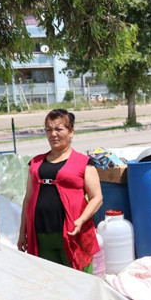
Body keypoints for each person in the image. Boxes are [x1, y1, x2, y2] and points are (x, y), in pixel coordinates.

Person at [17, 109, 103, 272]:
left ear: (71, 132)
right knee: (50, 282)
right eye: (49, 129)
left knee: (79, 281)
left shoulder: (84, 163)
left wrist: (81, 220)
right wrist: (23, 233)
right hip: (41, 236)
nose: (53, 134)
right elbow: (28, 200)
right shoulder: (35, 163)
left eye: (59, 129)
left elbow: (97, 198)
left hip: (72, 235)